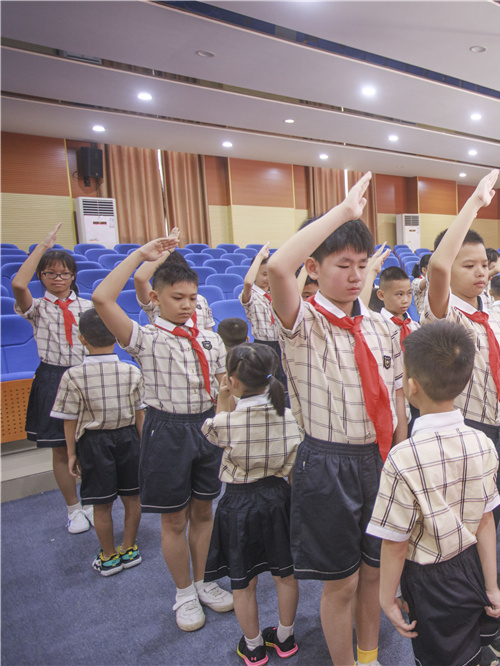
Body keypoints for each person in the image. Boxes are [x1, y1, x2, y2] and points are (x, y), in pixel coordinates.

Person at [267, 173, 406, 666]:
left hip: (379, 458)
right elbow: (277, 268)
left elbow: (394, 400)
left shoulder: (380, 327)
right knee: (341, 582)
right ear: (314, 268)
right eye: (342, 264)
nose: (353, 275)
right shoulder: (302, 324)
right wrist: (344, 213)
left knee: (376, 573)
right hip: (327, 465)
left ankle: (367, 657)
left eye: (361, 266)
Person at [92, 237, 233, 631]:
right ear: (156, 296)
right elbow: (103, 298)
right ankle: (184, 592)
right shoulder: (146, 337)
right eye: (177, 298)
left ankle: (204, 581)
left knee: (205, 510)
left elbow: (223, 388)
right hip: (167, 430)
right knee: (173, 521)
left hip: (206, 427)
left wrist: (228, 422)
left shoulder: (210, 337)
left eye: (192, 297)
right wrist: (139, 256)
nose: (187, 305)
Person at [368, 322, 500, 666]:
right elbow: (486, 521)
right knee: (467, 650)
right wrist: (491, 585)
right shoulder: (483, 443)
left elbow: (395, 541)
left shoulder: (403, 457)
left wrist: (387, 597)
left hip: (427, 578)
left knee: (437, 658)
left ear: (411, 386)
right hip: (471, 565)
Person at [424, 170, 500, 658]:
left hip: (496, 434)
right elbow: (439, 269)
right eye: (470, 265)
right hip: (462, 436)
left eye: (485, 264)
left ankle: (487, 615)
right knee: (458, 534)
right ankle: (463, 622)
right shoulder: (446, 313)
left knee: (490, 525)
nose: (481, 272)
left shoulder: (494, 311)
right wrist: (475, 205)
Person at [202, 343, 301, 666]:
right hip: (278, 498)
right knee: (285, 574)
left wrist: (222, 398)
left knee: (243, 582)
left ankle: (254, 645)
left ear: (233, 381)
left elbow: (211, 431)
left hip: (239, 504)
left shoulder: (227, 421)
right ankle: (285, 638)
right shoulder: (289, 417)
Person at [11, 223, 93, 532]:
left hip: (85, 376)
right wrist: (43, 247)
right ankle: (73, 509)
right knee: (61, 448)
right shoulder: (36, 308)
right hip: (53, 377)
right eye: (50, 274)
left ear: (73, 276)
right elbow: (19, 284)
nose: (58, 279)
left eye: (64, 274)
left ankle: (91, 501)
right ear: (41, 277)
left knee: (89, 444)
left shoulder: (88, 306)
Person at [51, 308, 144, 575]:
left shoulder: (72, 376)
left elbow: (69, 420)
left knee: (100, 504)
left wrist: (71, 453)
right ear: (115, 335)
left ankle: (109, 556)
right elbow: (140, 415)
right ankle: (129, 547)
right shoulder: (131, 370)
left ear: (82, 339)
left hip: (93, 442)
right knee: (132, 498)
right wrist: (143, 447)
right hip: (128, 439)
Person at [134, 232, 215, 328]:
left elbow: (208, 330)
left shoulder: (201, 299)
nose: (186, 306)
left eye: (192, 299)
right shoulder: (156, 300)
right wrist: (167, 250)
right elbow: (140, 278)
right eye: (177, 298)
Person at [240, 243, 287, 395]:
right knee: (265, 387)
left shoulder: (278, 293)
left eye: (270, 274)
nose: (268, 279)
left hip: (281, 344)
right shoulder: (251, 295)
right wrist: (260, 257)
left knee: (283, 385)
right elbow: (248, 282)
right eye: (264, 274)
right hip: (262, 345)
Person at [377, 266, 420, 344]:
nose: (406, 300)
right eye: (399, 294)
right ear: (381, 295)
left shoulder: (416, 327)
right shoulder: (376, 326)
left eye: (409, 293)